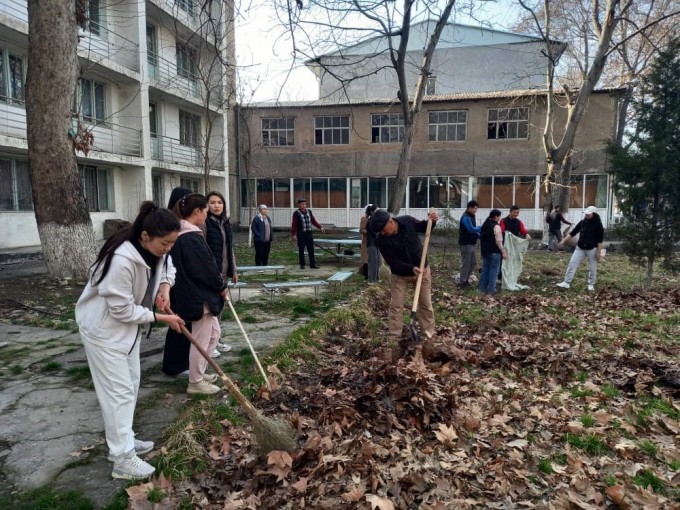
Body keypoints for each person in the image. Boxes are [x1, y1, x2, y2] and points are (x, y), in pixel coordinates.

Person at [75, 202, 185, 480]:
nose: (168, 248)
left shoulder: (155, 250)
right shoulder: (121, 259)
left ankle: (123, 439)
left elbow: (167, 266)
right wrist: (162, 319)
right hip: (104, 331)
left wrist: (163, 288)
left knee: (131, 384)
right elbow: (121, 310)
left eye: (172, 243)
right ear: (145, 236)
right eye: (165, 243)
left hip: (127, 331)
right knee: (118, 392)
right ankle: (123, 459)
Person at [170, 193, 228, 395]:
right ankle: (195, 382)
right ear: (197, 211)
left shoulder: (189, 234)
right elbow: (205, 267)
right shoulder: (189, 237)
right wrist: (221, 286)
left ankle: (200, 372)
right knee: (201, 340)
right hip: (198, 296)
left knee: (214, 334)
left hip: (200, 295)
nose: (207, 214)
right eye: (205, 211)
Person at [367, 209, 439, 341]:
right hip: (400, 276)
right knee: (396, 306)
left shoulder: (407, 221)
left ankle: (428, 335)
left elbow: (424, 227)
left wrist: (432, 221)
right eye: (380, 232)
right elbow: (393, 262)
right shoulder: (381, 240)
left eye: (383, 229)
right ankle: (394, 337)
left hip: (422, 271)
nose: (382, 233)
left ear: (390, 222)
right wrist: (411, 268)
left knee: (425, 304)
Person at [162, 187, 193, 378]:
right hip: (176, 282)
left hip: (178, 278)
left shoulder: (187, 225)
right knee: (177, 323)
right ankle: (174, 364)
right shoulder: (172, 225)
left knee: (182, 322)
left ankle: (181, 362)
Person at [205, 191, 237, 357]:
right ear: (207, 205)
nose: (216, 206)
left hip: (224, 272)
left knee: (220, 308)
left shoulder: (225, 222)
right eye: (212, 202)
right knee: (211, 308)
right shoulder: (205, 223)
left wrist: (234, 270)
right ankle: (210, 342)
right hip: (212, 273)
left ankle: (216, 339)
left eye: (219, 202)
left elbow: (229, 248)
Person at [556, 206, 604, 291]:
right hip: (580, 247)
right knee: (572, 264)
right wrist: (563, 241)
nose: (586, 215)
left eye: (588, 214)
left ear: (594, 214)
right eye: (586, 214)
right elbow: (573, 233)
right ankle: (566, 282)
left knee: (592, 268)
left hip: (592, 248)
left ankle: (591, 284)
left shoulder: (598, 225)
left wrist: (598, 252)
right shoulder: (582, 222)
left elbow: (600, 240)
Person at [499, 205, 532, 290]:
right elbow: (501, 230)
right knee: (503, 260)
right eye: (514, 212)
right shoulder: (503, 221)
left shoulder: (518, 222)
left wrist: (527, 235)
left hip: (513, 245)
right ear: (510, 212)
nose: (516, 214)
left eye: (517, 213)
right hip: (505, 244)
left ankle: (511, 276)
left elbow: (523, 230)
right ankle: (501, 277)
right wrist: (506, 234)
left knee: (513, 260)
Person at [478, 209, 507, 294]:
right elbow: (499, 241)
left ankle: (481, 288)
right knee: (494, 270)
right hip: (494, 251)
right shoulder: (496, 226)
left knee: (485, 269)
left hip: (485, 251)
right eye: (499, 216)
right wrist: (503, 251)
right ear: (496, 217)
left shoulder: (484, 225)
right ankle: (491, 289)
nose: (500, 218)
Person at [291, 197, 325, 269]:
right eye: (302, 204)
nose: (304, 206)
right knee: (301, 249)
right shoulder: (296, 213)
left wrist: (320, 227)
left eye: (305, 204)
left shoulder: (309, 211)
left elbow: (313, 221)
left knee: (311, 249)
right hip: (301, 234)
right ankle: (302, 264)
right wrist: (294, 234)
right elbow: (294, 224)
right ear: (299, 205)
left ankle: (312, 264)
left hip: (309, 233)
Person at [458, 200, 480, 287]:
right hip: (465, 243)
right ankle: (463, 282)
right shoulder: (466, 217)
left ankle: (465, 279)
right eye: (475, 208)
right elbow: (471, 229)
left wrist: (480, 236)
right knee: (466, 263)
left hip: (471, 243)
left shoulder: (471, 215)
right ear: (469, 208)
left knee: (473, 262)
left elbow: (473, 231)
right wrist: (480, 228)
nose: (476, 210)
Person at [360, 204, 380, 283]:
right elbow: (361, 230)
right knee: (367, 260)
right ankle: (367, 277)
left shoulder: (376, 219)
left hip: (375, 242)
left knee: (376, 260)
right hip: (367, 241)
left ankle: (375, 277)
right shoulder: (364, 219)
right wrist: (370, 232)